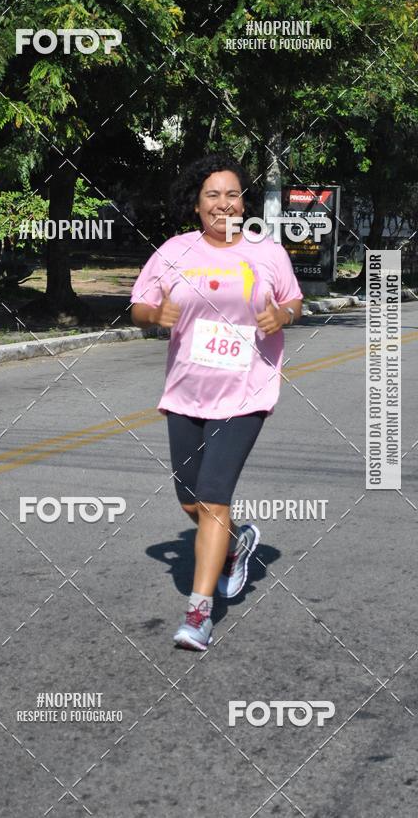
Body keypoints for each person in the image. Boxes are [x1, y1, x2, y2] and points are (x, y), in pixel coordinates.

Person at [130, 154, 303, 650]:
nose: (223, 203)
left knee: (212, 497)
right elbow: (140, 304)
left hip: (245, 391)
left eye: (232, 194)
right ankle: (236, 542)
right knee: (189, 498)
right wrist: (153, 316)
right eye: (212, 195)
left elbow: (292, 300)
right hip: (186, 392)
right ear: (196, 204)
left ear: (242, 201)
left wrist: (282, 317)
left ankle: (198, 615)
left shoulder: (266, 252)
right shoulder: (174, 251)